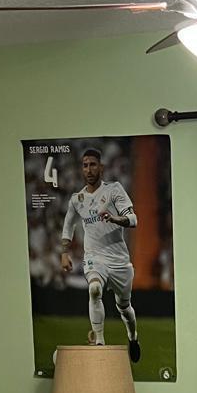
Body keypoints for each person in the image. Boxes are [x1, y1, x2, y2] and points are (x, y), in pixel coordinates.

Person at [59, 146, 141, 362]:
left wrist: (115, 219)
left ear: (101, 167)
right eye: (85, 165)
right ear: (81, 169)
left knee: (124, 307)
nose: (89, 169)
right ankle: (100, 343)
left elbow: (133, 219)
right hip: (94, 257)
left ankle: (133, 337)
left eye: (93, 165)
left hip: (119, 260)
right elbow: (68, 225)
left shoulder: (114, 190)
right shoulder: (77, 199)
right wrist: (64, 252)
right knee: (94, 289)